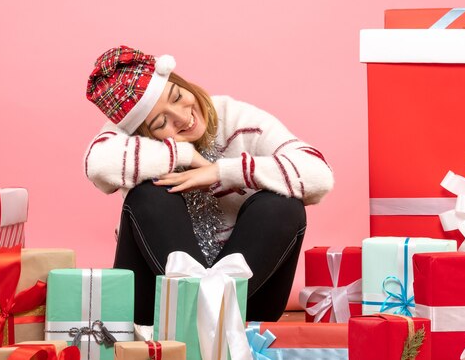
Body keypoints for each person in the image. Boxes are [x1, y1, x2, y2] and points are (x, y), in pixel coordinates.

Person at [84, 46, 334, 325]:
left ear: (182, 83)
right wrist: (185, 155)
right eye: (161, 122)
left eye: (177, 97)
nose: (181, 117)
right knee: (148, 196)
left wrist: (222, 172)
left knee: (283, 207)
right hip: (158, 302)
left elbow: (319, 175)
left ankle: (206, 319)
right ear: (144, 132)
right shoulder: (126, 123)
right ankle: (209, 322)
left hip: (247, 299)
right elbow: (98, 166)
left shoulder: (238, 118)